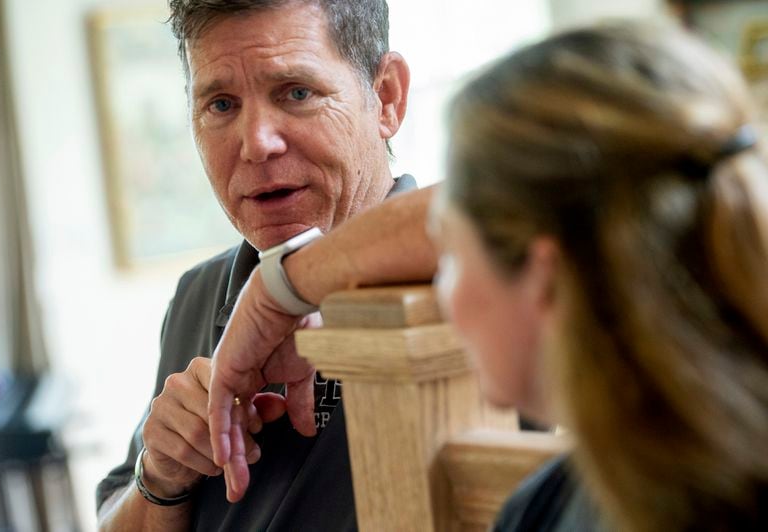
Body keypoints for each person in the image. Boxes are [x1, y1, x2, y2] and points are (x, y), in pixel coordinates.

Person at [207, 22, 768, 531]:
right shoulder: (566, 497)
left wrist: (276, 288)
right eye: (222, 103)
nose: (440, 286)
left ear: (543, 278)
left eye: (447, 248)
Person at [96, 0, 414, 530]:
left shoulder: (483, 283)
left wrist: (284, 287)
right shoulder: (198, 294)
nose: (256, 143)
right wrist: (163, 478)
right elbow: (118, 515)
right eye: (221, 105)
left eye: (297, 92)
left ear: (385, 98)